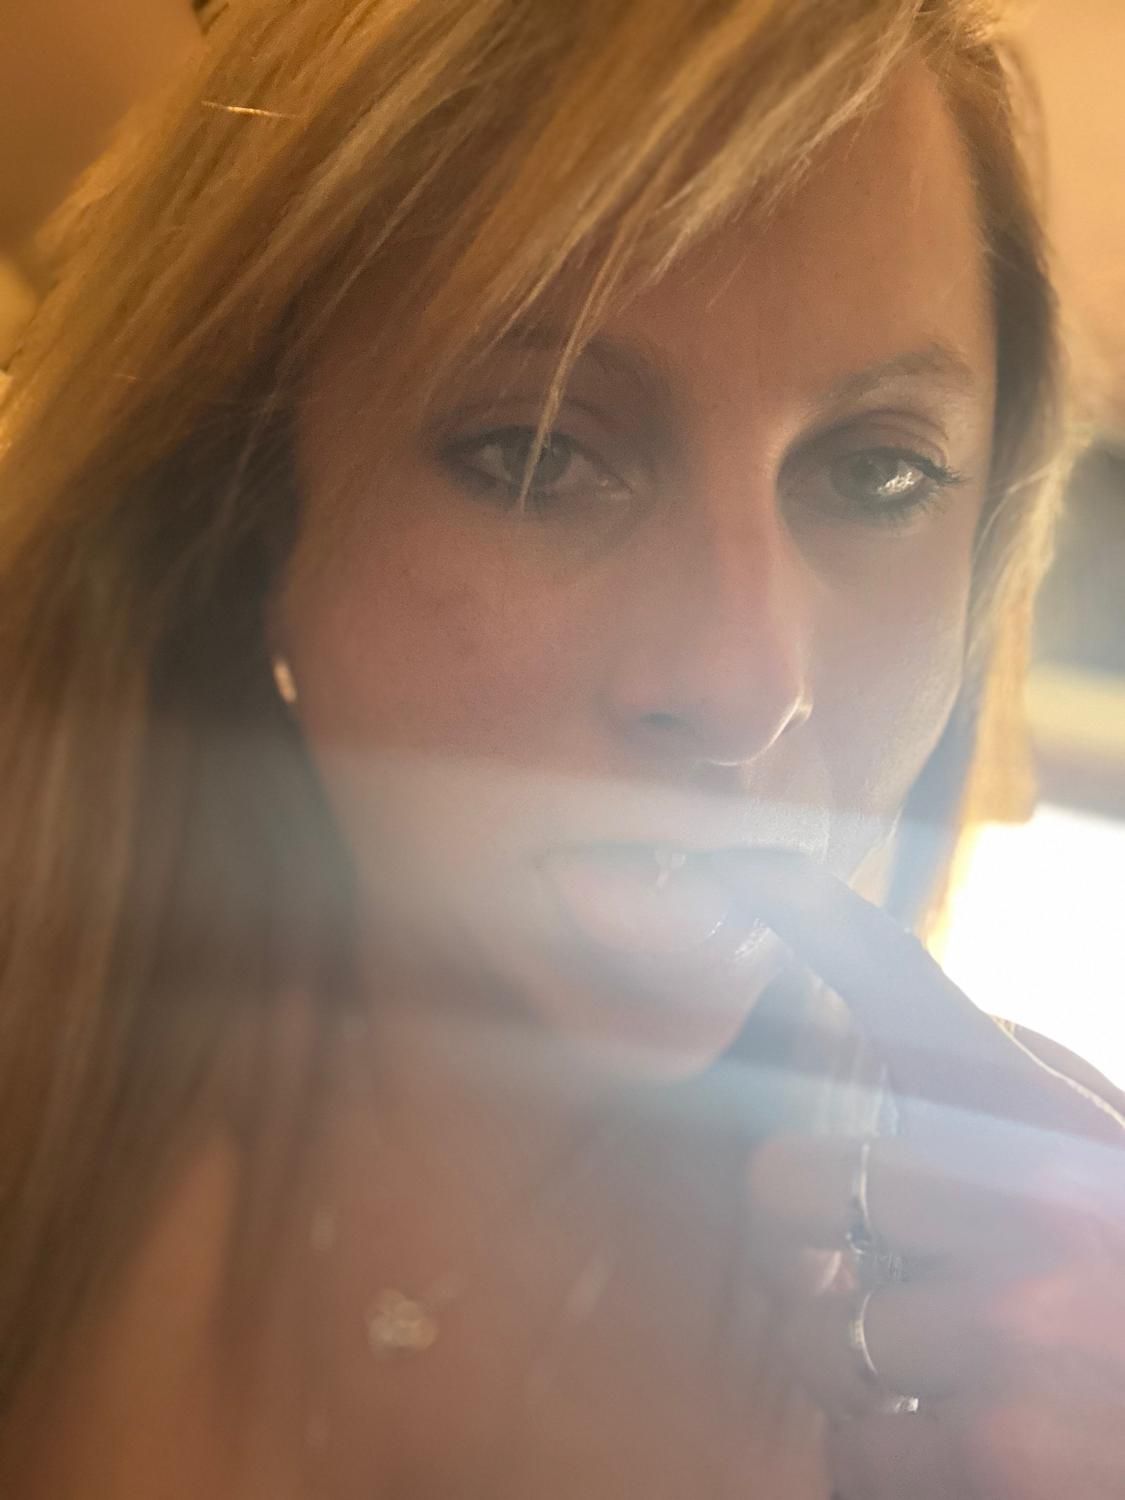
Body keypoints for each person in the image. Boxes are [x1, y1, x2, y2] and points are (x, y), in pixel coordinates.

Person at [1, 0, 1123, 1495]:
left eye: (877, 472)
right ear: (251, 518)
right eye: (538, 452)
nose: (746, 686)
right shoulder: (44, 1113)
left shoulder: (1028, 1320)